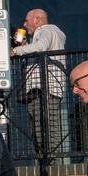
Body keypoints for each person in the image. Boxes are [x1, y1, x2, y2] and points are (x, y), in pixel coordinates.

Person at [10, 9, 67, 159]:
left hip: (46, 88)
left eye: (26, 21)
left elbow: (41, 46)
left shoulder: (46, 30)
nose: (24, 24)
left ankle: (49, 162)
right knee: (39, 129)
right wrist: (25, 46)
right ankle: (45, 159)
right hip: (40, 89)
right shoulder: (44, 34)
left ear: (37, 20)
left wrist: (16, 50)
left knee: (46, 127)